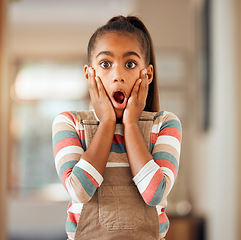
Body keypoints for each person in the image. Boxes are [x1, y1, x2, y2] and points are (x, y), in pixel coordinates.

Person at [52, 15, 182, 240]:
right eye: (105, 64)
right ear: (89, 74)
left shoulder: (165, 124)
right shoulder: (69, 123)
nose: (118, 76)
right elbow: (80, 191)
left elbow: (154, 194)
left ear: (147, 74)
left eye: (130, 64)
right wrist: (107, 123)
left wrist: (131, 124)